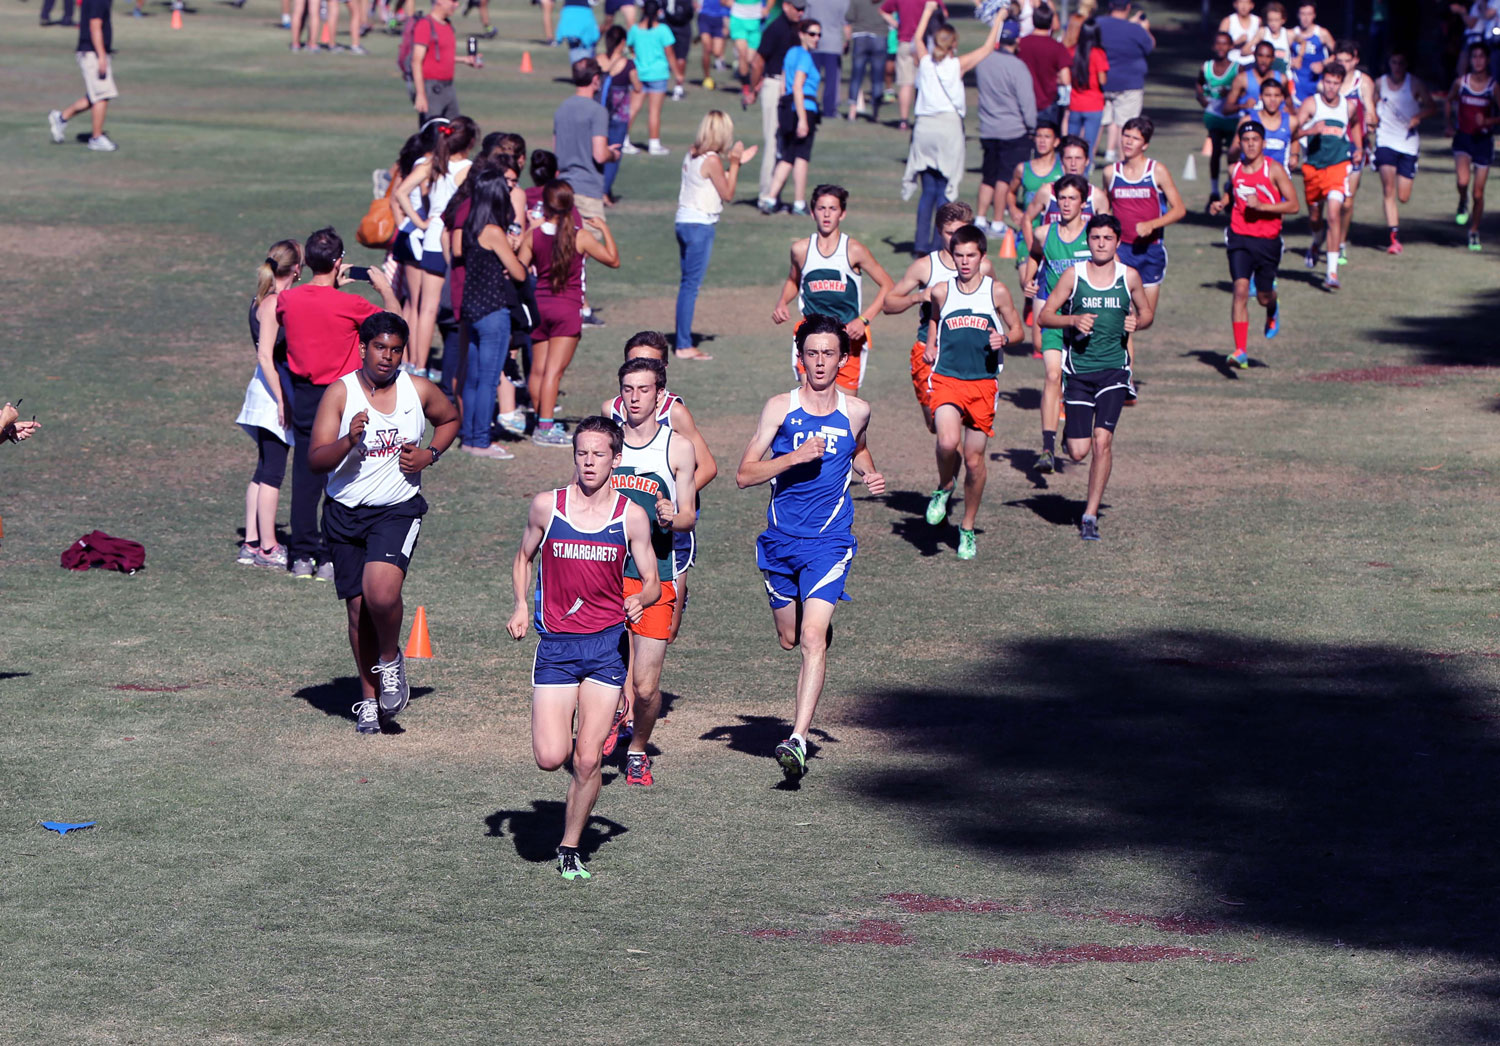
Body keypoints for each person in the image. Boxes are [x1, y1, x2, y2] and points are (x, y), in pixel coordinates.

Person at [507, 416, 661, 880]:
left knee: (588, 759)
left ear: (616, 459)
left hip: (606, 647)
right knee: (550, 757)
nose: (589, 462)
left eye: (599, 454)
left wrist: (640, 599)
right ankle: (587, 741)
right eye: (582, 453)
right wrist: (521, 605)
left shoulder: (630, 516)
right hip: (556, 647)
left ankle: (570, 846)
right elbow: (523, 557)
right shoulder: (547, 507)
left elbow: (652, 581)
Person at [735, 314, 884, 781]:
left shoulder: (856, 410)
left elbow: (857, 447)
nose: (819, 362)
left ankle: (797, 739)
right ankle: (812, 622)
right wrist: (793, 458)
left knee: (812, 639)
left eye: (828, 354)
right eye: (812, 353)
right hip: (780, 542)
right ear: (799, 357)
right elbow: (744, 474)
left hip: (830, 542)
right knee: (790, 638)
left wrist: (868, 473)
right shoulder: (780, 408)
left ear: (843, 359)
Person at [306, 312, 459, 735]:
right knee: (358, 611)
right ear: (363, 348)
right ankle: (369, 702)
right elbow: (315, 460)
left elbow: (449, 419)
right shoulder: (341, 393)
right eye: (379, 348)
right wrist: (348, 441)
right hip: (343, 514)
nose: (387, 357)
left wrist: (430, 454)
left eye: (395, 350)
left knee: (381, 592)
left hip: (396, 510)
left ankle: (391, 660)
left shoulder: (418, 389)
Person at [277, 227, 402, 581]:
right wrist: (384, 288)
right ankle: (332, 555)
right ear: (338, 262)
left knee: (305, 476)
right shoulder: (352, 306)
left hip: (304, 395)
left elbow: (297, 307)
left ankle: (302, 555)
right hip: (341, 396)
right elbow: (394, 323)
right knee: (342, 476)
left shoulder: (289, 300)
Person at [605, 357, 697, 787]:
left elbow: (689, 516)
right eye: (628, 389)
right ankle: (606, 726)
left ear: (660, 395)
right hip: (604, 574)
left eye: (644, 389)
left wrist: (672, 516)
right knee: (602, 671)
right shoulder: (607, 442)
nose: (635, 397)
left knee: (645, 685)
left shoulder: (677, 447)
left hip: (655, 577)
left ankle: (638, 749)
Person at [1036, 213, 1153, 541]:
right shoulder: (1074, 276)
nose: (1101, 244)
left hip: (1114, 370)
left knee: (1103, 440)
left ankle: (1090, 515)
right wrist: (1072, 320)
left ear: (1118, 242)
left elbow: (1147, 313)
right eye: (1096, 238)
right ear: (1088, 241)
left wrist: (1138, 322)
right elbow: (1045, 316)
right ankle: (1071, 434)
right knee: (1078, 452)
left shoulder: (1129, 276)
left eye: (1108, 238)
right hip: (1079, 372)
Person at [921, 224, 1023, 560]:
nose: (965, 262)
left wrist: (1004, 339)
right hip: (947, 378)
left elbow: (1019, 330)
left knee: (975, 461)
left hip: (983, 383)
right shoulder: (941, 291)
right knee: (947, 442)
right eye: (959, 255)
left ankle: (966, 527)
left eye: (971, 256)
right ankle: (944, 486)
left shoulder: (997, 292)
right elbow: (934, 318)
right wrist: (931, 344)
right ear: (952, 256)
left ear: (982, 257)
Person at [770, 184, 894, 392]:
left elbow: (888, 285)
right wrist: (782, 302)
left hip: (847, 337)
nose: (826, 214)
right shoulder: (801, 250)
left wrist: (864, 320)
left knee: (845, 408)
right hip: (810, 336)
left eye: (833, 209)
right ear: (812, 213)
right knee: (811, 401)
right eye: (821, 208)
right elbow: (794, 280)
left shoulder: (854, 250)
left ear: (842, 214)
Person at [884, 200, 993, 433]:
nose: (955, 239)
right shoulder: (925, 266)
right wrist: (918, 297)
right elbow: (889, 303)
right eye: (949, 233)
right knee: (936, 426)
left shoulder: (983, 267)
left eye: (961, 232)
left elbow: (998, 305)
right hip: (929, 353)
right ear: (939, 232)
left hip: (971, 355)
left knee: (956, 428)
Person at [904, 3, 1002, 254]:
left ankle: (920, 244)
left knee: (928, 190)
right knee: (945, 190)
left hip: (924, 128)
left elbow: (916, 38)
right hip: (948, 127)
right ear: (954, 44)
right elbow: (988, 48)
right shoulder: (957, 65)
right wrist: (999, 19)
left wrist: (927, 11)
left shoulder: (925, 62)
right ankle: (940, 244)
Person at [531, 181, 622, 446]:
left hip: (539, 306)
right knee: (553, 372)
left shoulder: (533, 235)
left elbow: (519, 266)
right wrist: (604, 228)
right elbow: (613, 260)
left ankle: (540, 419)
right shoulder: (580, 236)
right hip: (567, 309)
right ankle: (545, 428)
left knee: (538, 370)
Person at [1102, 116, 1184, 387]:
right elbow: (1105, 209)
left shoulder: (1156, 171)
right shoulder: (1111, 173)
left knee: (1144, 318)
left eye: (1135, 138)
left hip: (1151, 252)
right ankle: (1123, 379)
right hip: (1121, 252)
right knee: (1122, 318)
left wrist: (1153, 224)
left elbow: (1179, 209)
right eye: (1126, 135)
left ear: (1145, 144)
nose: (1128, 142)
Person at [1208, 121, 1297, 367]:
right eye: (1246, 140)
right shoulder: (1235, 169)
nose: (1250, 145)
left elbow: (1293, 205)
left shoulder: (1274, 170)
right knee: (1240, 291)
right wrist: (1222, 203)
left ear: (1263, 143)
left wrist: (1263, 206)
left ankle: (1272, 307)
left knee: (1263, 297)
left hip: (1267, 241)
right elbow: (1233, 190)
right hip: (1239, 237)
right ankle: (1240, 351)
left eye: (1255, 140)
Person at [455, 166, 530, 457]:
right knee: (488, 379)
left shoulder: (471, 226)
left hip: (472, 310)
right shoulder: (494, 231)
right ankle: (482, 441)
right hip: (493, 312)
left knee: (474, 378)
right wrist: (515, 249)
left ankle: (470, 438)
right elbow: (519, 273)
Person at [235, 240, 300, 570]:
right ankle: (268, 548)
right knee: (273, 472)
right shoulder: (274, 303)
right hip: (271, 395)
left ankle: (251, 543)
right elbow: (265, 356)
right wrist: (282, 400)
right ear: (297, 269)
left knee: (262, 470)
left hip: (261, 391)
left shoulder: (261, 298)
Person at [1021, 174, 1091, 469]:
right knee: (1052, 375)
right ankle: (1047, 449)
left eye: (1072, 198)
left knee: (1076, 379)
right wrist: (1028, 280)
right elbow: (1034, 256)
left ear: (1083, 203)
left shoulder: (1094, 235)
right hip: (1055, 317)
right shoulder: (1043, 233)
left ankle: (1069, 428)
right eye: (1062, 198)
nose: (1066, 203)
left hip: (1086, 321)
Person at [674, 111, 757, 357]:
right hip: (700, 226)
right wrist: (735, 163)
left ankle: (682, 340)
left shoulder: (693, 153)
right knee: (691, 286)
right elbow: (728, 194)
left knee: (687, 285)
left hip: (684, 222)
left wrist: (735, 164)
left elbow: (715, 182)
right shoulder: (712, 160)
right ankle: (683, 345)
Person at [1294, 62, 1356, 288]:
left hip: (1338, 166)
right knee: (1314, 217)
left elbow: (1355, 124)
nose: (1331, 87)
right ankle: (1316, 241)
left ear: (1341, 84)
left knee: (1333, 214)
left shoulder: (1348, 106)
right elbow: (1292, 131)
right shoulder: (1312, 104)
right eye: (1327, 82)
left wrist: (1358, 147)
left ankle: (1331, 272)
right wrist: (1311, 131)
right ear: (1322, 82)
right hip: (1313, 168)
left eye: (1335, 83)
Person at [973, 19, 1036, 234]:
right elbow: (1027, 101)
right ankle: (998, 222)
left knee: (988, 177)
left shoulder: (983, 61)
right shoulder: (1017, 66)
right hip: (1013, 131)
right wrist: (1032, 126)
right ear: (1016, 40)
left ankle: (980, 219)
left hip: (988, 129)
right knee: (1004, 179)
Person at [1373, 52, 1436, 255]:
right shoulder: (1379, 83)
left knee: (1403, 196)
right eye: (1394, 62)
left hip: (1407, 143)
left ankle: (1395, 233)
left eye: (1401, 63)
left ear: (1406, 64)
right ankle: (1393, 239)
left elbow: (1432, 107)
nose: (1397, 66)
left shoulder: (1415, 84)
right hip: (1385, 141)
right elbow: (1371, 105)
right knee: (1388, 190)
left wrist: (1418, 117)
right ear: (1388, 63)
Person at [763, 18, 826, 215]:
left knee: (788, 156)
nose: (816, 38)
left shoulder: (790, 53)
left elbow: (784, 84)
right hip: (804, 108)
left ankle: (770, 198)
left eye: (819, 34)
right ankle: (799, 202)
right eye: (812, 34)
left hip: (788, 108)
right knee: (801, 156)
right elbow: (798, 86)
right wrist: (803, 119)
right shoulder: (805, 57)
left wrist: (784, 111)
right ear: (802, 34)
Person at [749, 0, 806, 210]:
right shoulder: (775, 28)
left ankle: (775, 195)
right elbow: (758, 61)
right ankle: (766, 196)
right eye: (797, 8)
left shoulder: (797, 29)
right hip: (774, 85)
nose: (800, 12)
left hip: (789, 89)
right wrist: (753, 89)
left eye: (803, 9)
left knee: (784, 144)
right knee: (773, 142)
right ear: (786, 6)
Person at [555, 58, 623, 223]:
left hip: (562, 189)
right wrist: (613, 154)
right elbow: (599, 155)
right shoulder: (597, 111)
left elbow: (557, 149)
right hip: (587, 190)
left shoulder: (562, 108)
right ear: (595, 79)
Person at [46, 0, 119, 152]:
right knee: (102, 95)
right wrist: (101, 56)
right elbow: (95, 26)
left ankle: (61, 118)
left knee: (95, 96)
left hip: (92, 52)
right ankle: (96, 138)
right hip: (92, 53)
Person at [1021, 134, 1111, 255]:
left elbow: (1108, 231)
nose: (1073, 163)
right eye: (1069, 158)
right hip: (1053, 260)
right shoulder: (1047, 191)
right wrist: (1033, 251)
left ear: (1087, 161)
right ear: (1062, 161)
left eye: (1078, 158)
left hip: (1083, 259)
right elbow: (1027, 219)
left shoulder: (1096, 196)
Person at [1448, 43, 1498, 250]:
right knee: (1462, 181)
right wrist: (1449, 124)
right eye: (1474, 56)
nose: (1477, 61)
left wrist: (1488, 122)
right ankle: (1462, 201)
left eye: (1481, 56)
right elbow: (1449, 100)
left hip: (1483, 142)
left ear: (1487, 60)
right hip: (1464, 138)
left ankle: (1474, 231)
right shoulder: (1462, 82)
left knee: (1478, 192)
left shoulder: (1493, 86)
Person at [1331, 40, 1375, 267]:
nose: (1343, 65)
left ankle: (1340, 243)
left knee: (1347, 202)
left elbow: (1372, 112)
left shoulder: (1363, 82)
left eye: (1347, 61)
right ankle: (1322, 236)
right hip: (1331, 147)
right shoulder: (1329, 82)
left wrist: (1372, 119)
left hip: (1355, 147)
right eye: (1339, 60)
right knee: (1325, 200)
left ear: (1355, 61)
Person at [1096, 0, 1152, 164]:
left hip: (1101, 81)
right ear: (1128, 7)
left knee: (1096, 124)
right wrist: (1145, 29)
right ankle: (1124, 165)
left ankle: (1087, 162)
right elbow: (1149, 46)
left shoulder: (1097, 24)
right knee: (1127, 127)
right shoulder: (1135, 30)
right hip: (1129, 84)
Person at [881, 0, 948, 131]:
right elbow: (944, 14)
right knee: (923, 83)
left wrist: (896, 24)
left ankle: (903, 120)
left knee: (906, 83)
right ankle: (920, 117)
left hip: (905, 40)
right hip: (924, 42)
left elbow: (883, 10)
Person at [410, 0, 481, 125]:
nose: (456, 5)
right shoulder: (425, 25)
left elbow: (440, 56)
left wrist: (464, 60)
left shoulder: (447, 25)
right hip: (432, 89)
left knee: (455, 131)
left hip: (449, 87)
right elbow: (416, 61)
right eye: (453, 1)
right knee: (433, 131)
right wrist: (420, 94)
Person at [1199, 32, 1243, 204]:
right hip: (1214, 115)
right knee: (1215, 151)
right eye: (1218, 43)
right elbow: (1199, 84)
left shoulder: (1237, 68)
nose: (1221, 47)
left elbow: (1244, 89)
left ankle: (1230, 189)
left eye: (1225, 44)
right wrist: (1200, 97)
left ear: (1231, 47)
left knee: (1233, 155)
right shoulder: (1207, 66)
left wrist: (1232, 93)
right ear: (1213, 46)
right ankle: (1214, 191)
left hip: (1232, 117)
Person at [628, 0, 677, 155]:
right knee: (654, 112)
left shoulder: (635, 29)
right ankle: (654, 144)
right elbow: (670, 54)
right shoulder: (663, 30)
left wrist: (635, 56)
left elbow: (630, 46)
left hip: (639, 74)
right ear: (658, 12)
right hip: (658, 74)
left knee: (632, 109)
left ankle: (623, 140)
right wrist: (678, 74)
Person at [1018, 4, 1073, 129]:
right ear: (1050, 22)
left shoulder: (1020, 44)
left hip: (1023, 101)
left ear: (1033, 20)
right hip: (1048, 101)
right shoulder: (1057, 47)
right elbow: (1066, 79)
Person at [1006, 120, 1062, 236]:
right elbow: (1010, 192)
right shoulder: (1023, 169)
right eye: (1039, 136)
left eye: (1047, 137)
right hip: (1028, 232)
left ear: (1056, 141)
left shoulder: (1063, 169)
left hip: (1055, 233)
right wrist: (1013, 209)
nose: (1042, 141)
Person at [1067, 16, 1109, 165]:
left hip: (1075, 103)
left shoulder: (1072, 51)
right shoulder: (1098, 54)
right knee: (1088, 146)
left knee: (1070, 144)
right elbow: (1102, 80)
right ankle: (1084, 173)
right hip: (1094, 104)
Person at [1236, 74, 1297, 171]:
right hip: (1252, 175)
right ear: (1260, 97)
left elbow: (1295, 137)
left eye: (1277, 95)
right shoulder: (1248, 121)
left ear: (1282, 97)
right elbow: (1235, 149)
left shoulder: (1291, 121)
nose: (1272, 100)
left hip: (1280, 176)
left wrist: (1294, 154)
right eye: (1268, 95)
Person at [804, 0, 851, 116]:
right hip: (833, 44)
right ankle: (829, 110)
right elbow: (846, 23)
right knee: (832, 80)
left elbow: (805, 20)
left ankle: (808, 106)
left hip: (814, 42)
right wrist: (847, 41)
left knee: (810, 78)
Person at [847, 0, 889, 121]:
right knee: (877, 77)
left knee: (856, 76)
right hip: (879, 36)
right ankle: (875, 112)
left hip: (860, 36)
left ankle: (852, 111)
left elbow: (849, 16)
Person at [1289, 2, 1334, 104]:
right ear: (1298, 15)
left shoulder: (1322, 33)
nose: (1306, 18)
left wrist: (1323, 63)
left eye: (1309, 14)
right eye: (1303, 14)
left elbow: (1338, 54)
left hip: (1318, 82)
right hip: (1298, 82)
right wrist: (1289, 61)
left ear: (1314, 15)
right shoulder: (1292, 34)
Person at [699, 0, 730, 89]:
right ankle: (707, 78)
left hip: (720, 18)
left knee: (717, 52)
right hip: (705, 16)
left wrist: (727, 21)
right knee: (707, 49)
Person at [1219, 0, 1260, 66]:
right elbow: (1219, 47)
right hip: (1232, 62)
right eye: (1241, 2)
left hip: (1253, 63)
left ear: (1252, 5)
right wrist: (1236, 42)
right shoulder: (1227, 21)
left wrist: (1251, 51)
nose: (1244, 6)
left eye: (1247, 2)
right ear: (1235, 4)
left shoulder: (1258, 21)